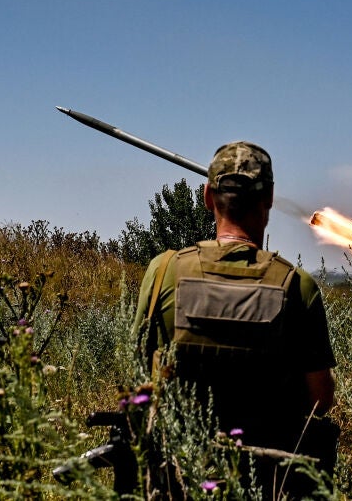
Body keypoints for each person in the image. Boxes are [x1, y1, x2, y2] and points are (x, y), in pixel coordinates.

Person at [133, 141, 337, 496]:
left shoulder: (164, 272)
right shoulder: (297, 287)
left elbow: (139, 364)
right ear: (269, 198)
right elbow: (320, 399)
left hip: (180, 478)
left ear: (207, 197)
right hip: (267, 483)